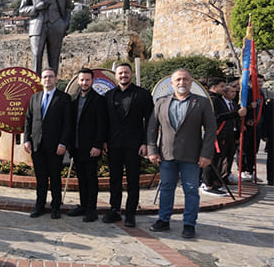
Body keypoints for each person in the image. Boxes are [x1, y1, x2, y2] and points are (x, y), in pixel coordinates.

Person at [147, 69, 216, 239]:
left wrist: (206, 154)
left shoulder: (201, 102)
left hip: (192, 156)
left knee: (191, 190)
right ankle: (163, 220)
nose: (181, 82)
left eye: (185, 79)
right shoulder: (161, 103)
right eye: (178, 79)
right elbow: (152, 128)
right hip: (166, 155)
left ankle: (189, 224)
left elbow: (210, 130)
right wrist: (152, 151)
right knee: (166, 188)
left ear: (191, 82)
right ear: (172, 83)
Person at [102, 63, 154, 227]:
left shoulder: (143, 95)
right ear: (115, 76)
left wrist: (146, 143)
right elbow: (105, 122)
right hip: (113, 144)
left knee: (133, 180)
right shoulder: (108, 95)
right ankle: (114, 210)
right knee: (114, 179)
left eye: (126, 72)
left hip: (134, 145)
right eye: (120, 73)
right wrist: (103, 141)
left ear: (131, 74)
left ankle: (130, 213)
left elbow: (150, 121)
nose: (123, 75)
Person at [23, 68, 71, 219]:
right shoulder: (35, 98)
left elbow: (67, 124)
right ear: (41, 79)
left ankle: (56, 207)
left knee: (55, 178)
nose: (47, 79)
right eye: (45, 77)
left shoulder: (64, 98)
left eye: (50, 77)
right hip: (37, 145)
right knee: (41, 178)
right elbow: (28, 120)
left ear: (56, 79)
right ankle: (40, 206)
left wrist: (63, 143)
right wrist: (26, 139)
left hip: (55, 146)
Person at [66, 68, 107, 222]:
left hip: (91, 148)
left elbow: (101, 125)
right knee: (81, 179)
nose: (84, 82)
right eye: (82, 80)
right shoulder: (74, 99)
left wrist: (97, 145)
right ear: (78, 81)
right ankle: (83, 206)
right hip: (76, 147)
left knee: (91, 179)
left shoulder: (98, 100)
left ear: (92, 81)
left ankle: (91, 209)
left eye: (87, 80)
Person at [19, 0, 71, 74]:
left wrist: (65, 24)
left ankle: (52, 89)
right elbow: (22, 10)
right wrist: (36, 7)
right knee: (36, 56)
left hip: (57, 25)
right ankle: (35, 88)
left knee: (54, 60)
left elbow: (68, 8)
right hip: (37, 26)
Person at [204, 78, 246, 195]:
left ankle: (215, 180)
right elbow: (217, 117)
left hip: (225, 134)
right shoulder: (212, 100)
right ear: (214, 87)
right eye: (222, 87)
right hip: (215, 133)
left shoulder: (219, 99)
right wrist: (235, 114)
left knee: (219, 158)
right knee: (211, 159)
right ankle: (207, 183)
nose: (224, 89)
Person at [241, 74, 266, 181]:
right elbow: (241, 108)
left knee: (254, 149)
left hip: (257, 125)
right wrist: (250, 106)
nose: (259, 84)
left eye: (261, 81)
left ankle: (250, 170)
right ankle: (243, 170)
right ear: (251, 82)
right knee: (244, 149)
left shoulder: (261, 93)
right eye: (257, 81)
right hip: (247, 125)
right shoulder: (246, 93)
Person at [222, 85, 244, 184]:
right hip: (224, 133)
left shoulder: (234, 104)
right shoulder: (221, 104)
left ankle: (226, 174)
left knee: (230, 156)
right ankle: (219, 177)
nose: (234, 94)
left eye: (235, 92)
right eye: (231, 92)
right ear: (225, 93)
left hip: (234, 133)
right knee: (222, 156)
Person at [260, 98, 274, 185]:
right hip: (272, 135)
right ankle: (271, 179)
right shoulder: (271, 104)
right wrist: (264, 134)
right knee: (272, 158)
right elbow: (266, 120)